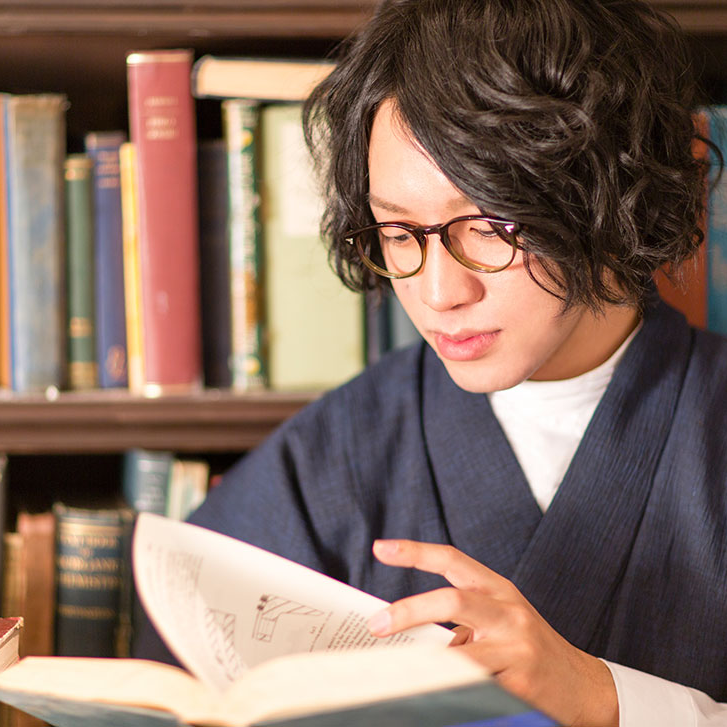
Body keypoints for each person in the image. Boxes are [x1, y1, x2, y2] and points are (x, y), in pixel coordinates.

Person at [136, 0, 727, 724]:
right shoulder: (335, 458)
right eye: (398, 231)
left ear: (610, 194)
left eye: (492, 225)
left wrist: (604, 698)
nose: (441, 292)